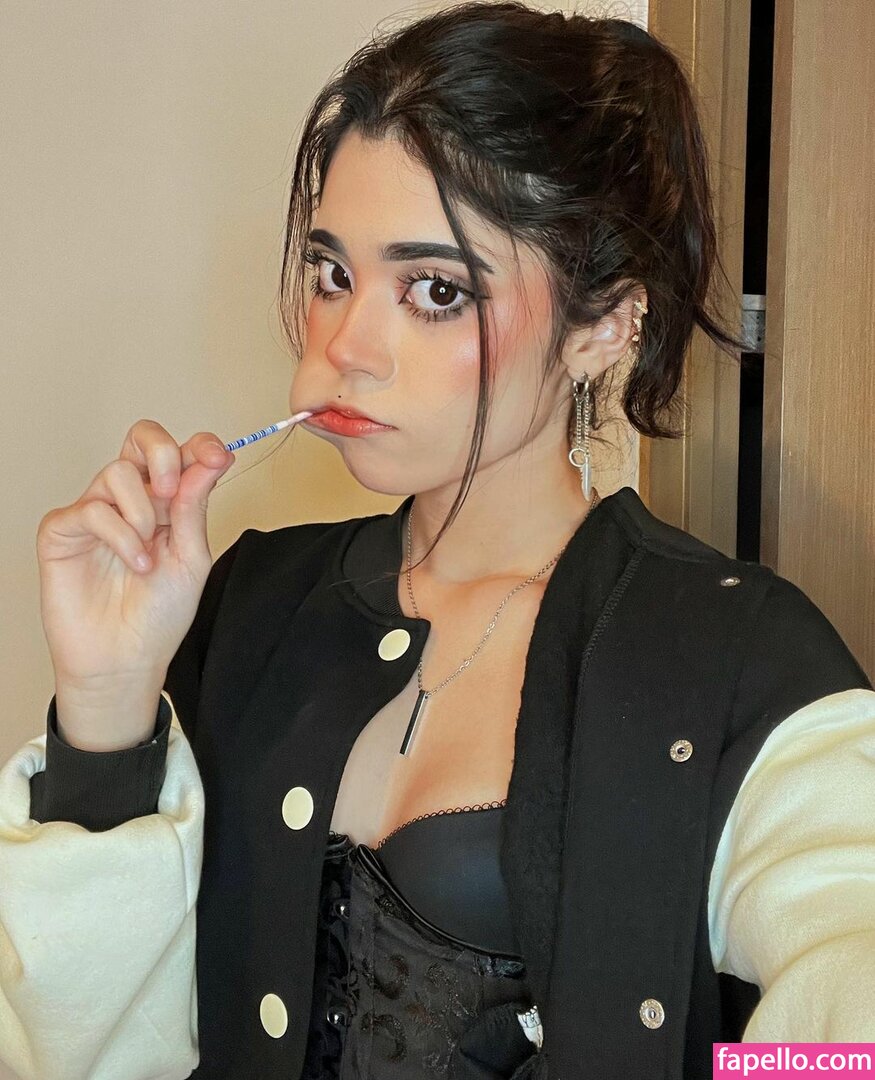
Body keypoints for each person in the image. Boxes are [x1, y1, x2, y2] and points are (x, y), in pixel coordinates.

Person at [1, 4, 873, 1079]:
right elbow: (85, 1046)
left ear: (604, 324)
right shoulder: (251, 598)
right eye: (332, 274)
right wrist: (105, 702)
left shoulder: (732, 653)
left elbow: (851, 988)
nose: (346, 347)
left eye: (434, 290)